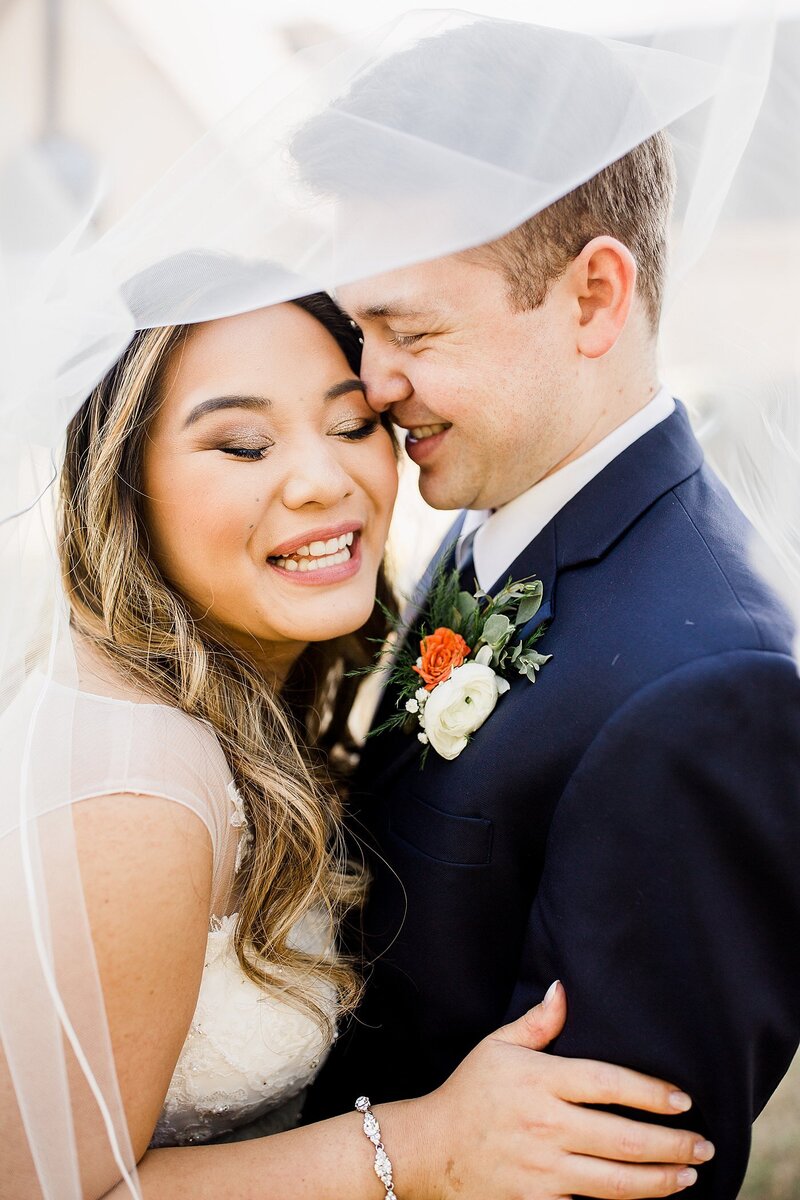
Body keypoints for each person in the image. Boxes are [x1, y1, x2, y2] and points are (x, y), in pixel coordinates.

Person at [0, 291, 715, 1199]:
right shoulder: (135, 794)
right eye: (243, 445)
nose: (321, 482)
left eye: (351, 425)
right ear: (122, 482)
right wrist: (431, 1149)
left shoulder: (243, 691)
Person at [295, 19, 800, 1198]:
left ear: (592, 298)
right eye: (360, 329)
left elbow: (602, 1175)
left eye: (410, 331)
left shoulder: (709, 693)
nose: (371, 385)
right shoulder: (492, 523)